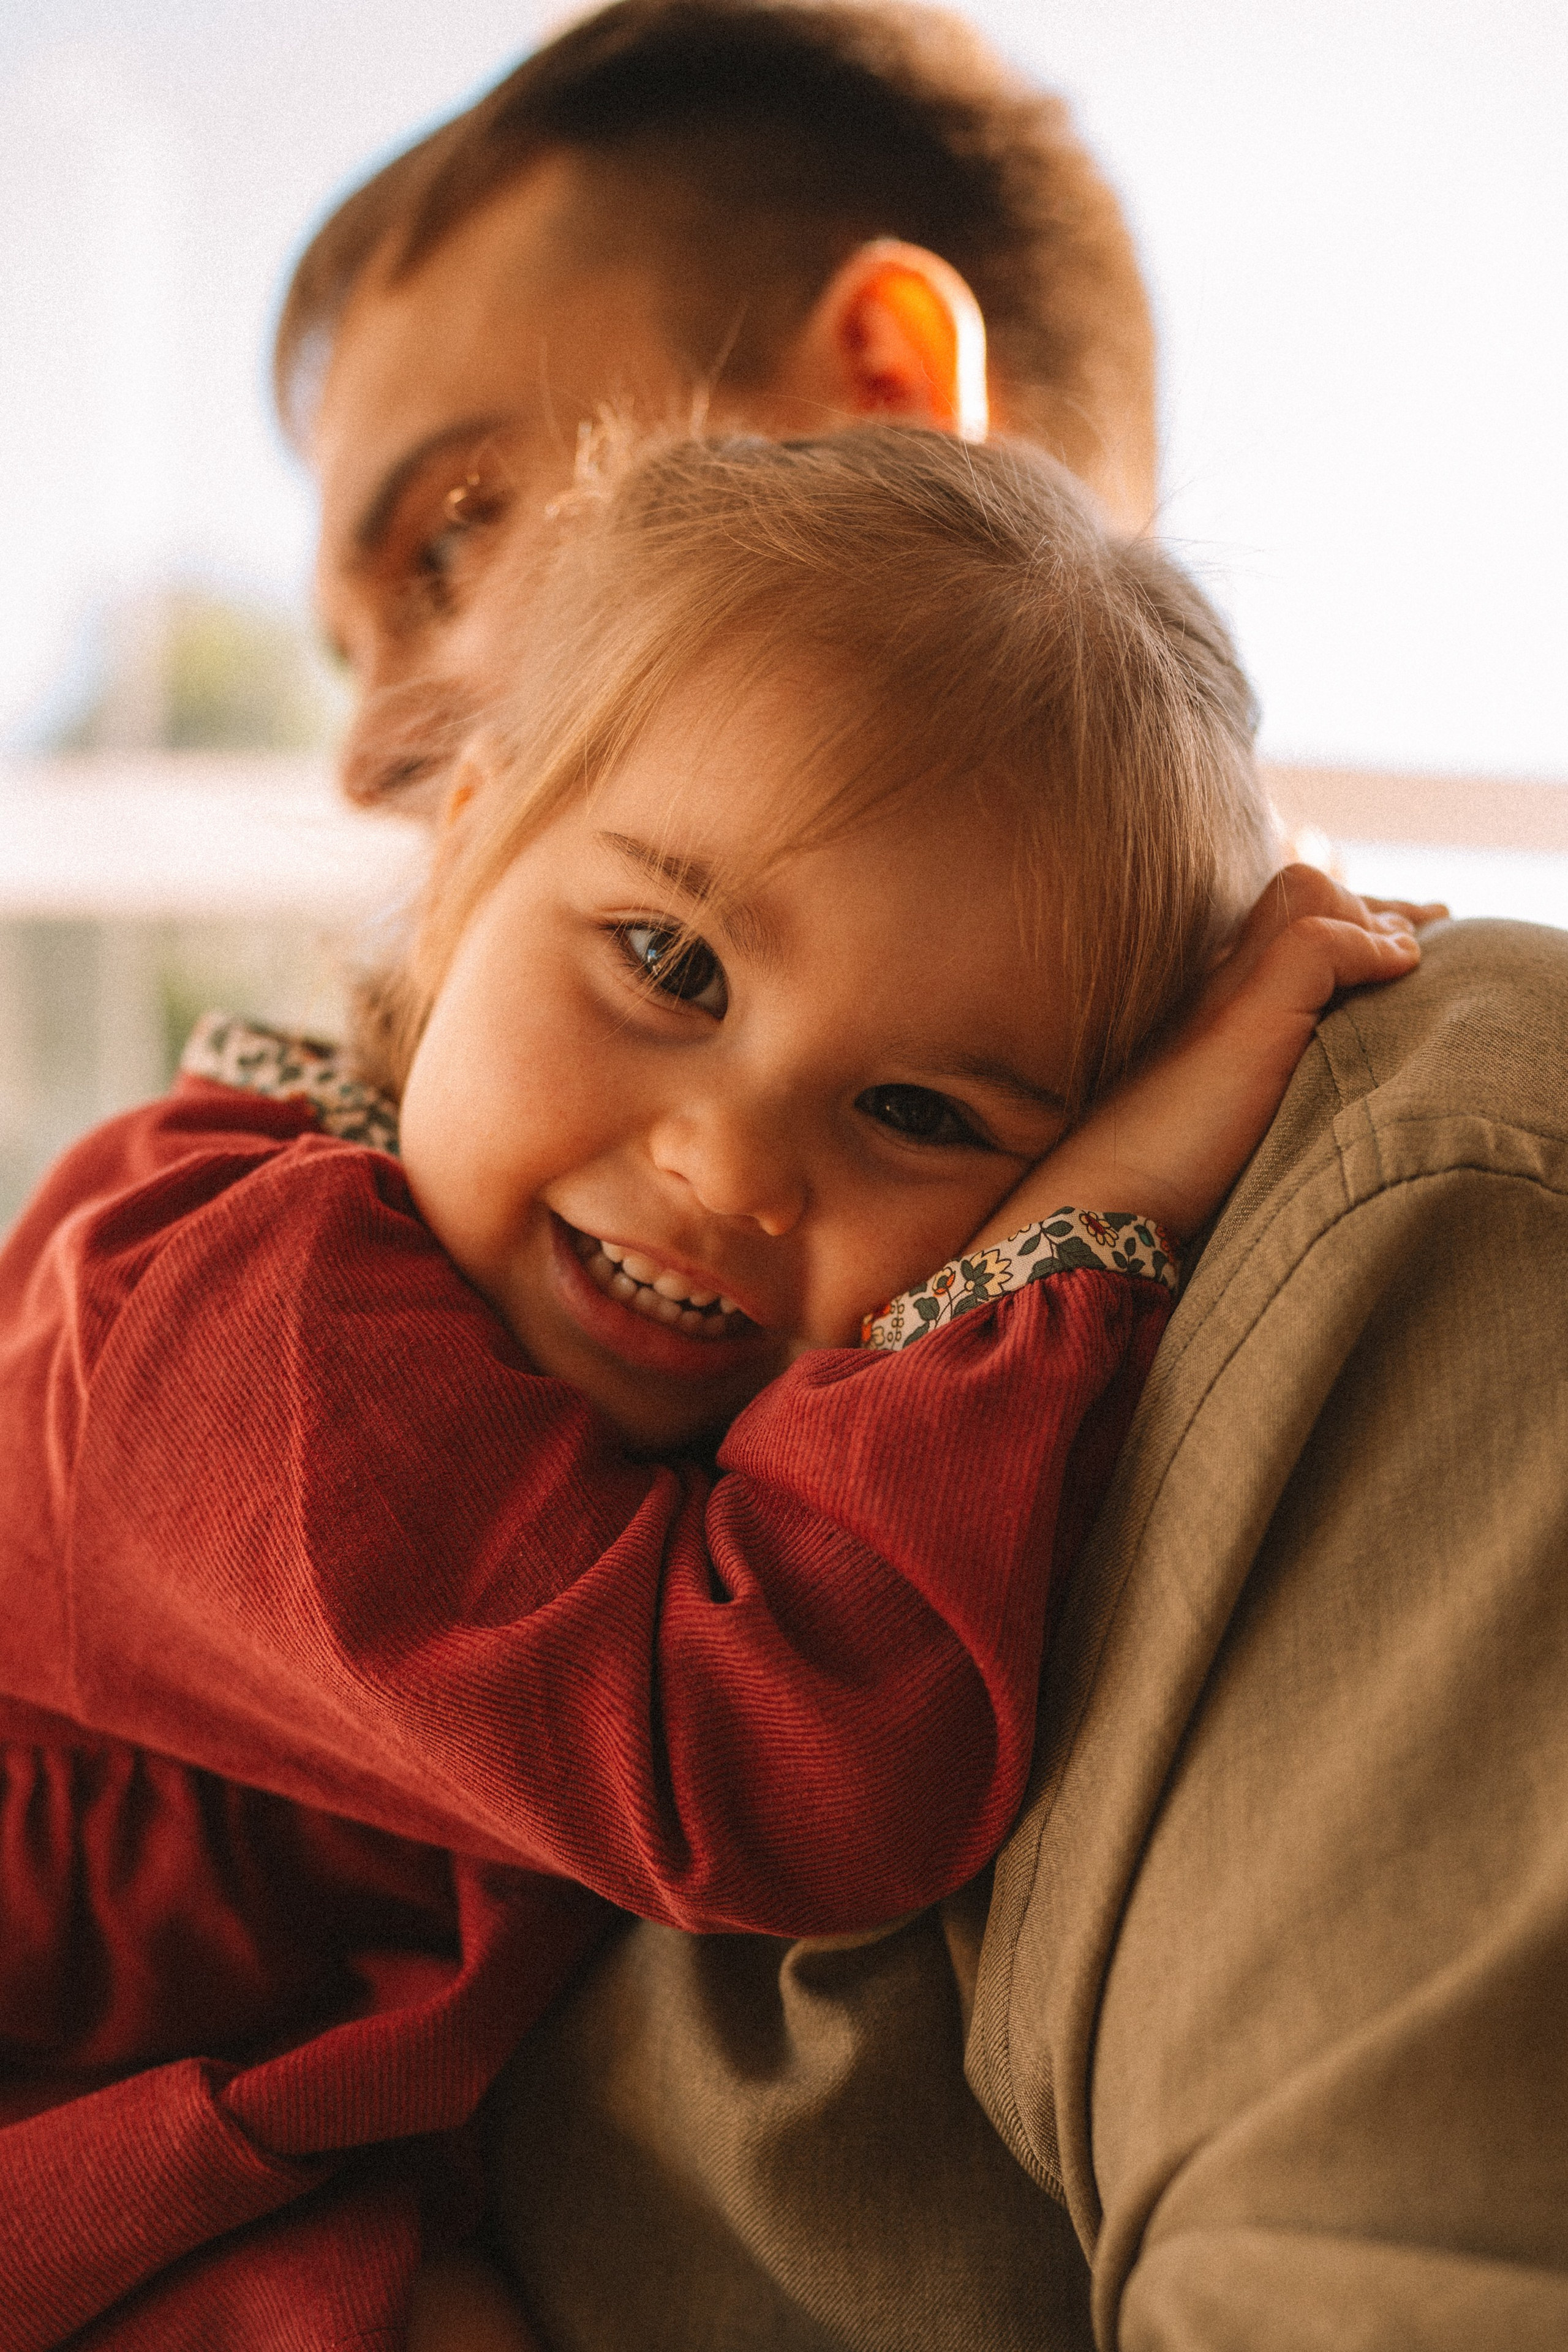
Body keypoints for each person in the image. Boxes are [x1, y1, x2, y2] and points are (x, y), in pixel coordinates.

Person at [0, 428, 1429, 2348]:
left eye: (920, 1112)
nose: (738, 1167)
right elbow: (761, 1757)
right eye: (671, 963)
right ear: (464, 852)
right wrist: (1104, 1204)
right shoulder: (215, 1307)